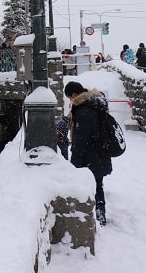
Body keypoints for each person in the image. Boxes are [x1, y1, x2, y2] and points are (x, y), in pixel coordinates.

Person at [65, 80, 113, 226]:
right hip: (101, 151)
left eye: (70, 98)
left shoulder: (84, 109)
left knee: (95, 186)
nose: (71, 101)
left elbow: (81, 139)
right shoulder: (95, 103)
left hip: (90, 155)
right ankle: (100, 215)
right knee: (98, 184)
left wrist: (75, 163)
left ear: (74, 95)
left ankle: (98, 217)